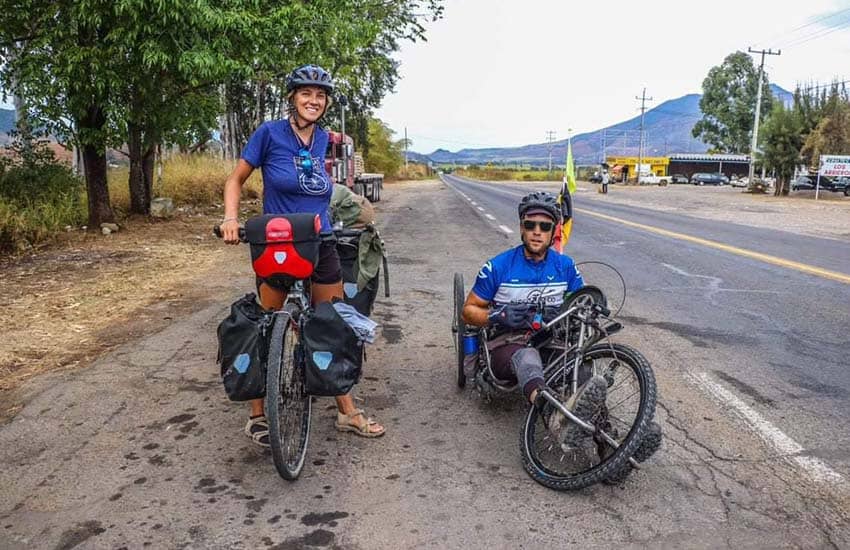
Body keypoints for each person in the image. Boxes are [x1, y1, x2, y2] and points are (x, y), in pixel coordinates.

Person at [221, 64, 385, 446]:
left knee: (334, 323)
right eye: (306, 93)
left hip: (319, 237)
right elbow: (235, 179)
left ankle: (347, 412)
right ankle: (258, 415)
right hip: (278, 241)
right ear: (292, 97)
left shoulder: (323, 138)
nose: (314, 100)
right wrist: (231, 219)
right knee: (263, 322)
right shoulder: (269, 133)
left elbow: (320, 189)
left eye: (321, 95)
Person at [461, 191, 660, 470]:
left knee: (585, 371)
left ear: (554, 230)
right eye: (530, 225)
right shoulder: (498, 266)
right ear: (521, 227)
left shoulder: (564, 266)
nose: (536, 232)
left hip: (552, 339)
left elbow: (582, 299)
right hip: (507, 345)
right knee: (527, 358)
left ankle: (611, 450)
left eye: (544, 226)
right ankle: (554, 416)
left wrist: (589, 310)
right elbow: (468, 310)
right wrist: (498, 314)